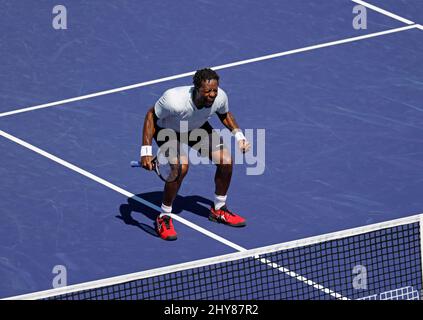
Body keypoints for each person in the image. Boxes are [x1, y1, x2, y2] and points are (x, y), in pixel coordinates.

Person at [140, 68, 251, 240]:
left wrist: (239, 136)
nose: (212, 94)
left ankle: (218, 210)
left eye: (214, 90)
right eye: (207, 91)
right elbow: (150, 116)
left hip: (197, 128)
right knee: (181, 167)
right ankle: (164, 216)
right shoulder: (173, 100)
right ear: (196, 88)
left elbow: (224, 114)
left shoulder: (220, 97)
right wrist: (146, 151)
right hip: (167, 130)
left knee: (226, 160)